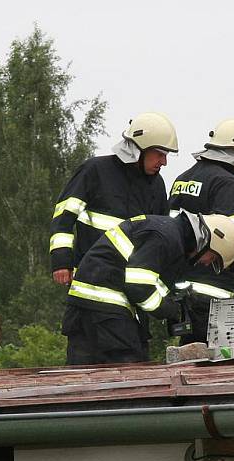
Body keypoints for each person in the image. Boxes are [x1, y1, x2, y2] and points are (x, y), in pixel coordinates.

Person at [49, 112, 178, 357]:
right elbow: (64, 217)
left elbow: (160, 240)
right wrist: (61, 262)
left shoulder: (156, 185)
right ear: (139, 148)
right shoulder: (94, 170)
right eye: (159, 154)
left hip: (129, 297)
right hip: (90, 289)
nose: (164, 162)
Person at [62, 212, 234, 365]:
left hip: (89, 309)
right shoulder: (165, 237)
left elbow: (149, 282)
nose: (205, 263)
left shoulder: (170, 234)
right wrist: (169, 309)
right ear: (209, 242)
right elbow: (139, 287)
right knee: (133, 374)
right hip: (105, 311)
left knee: (84, 378)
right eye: (212, 258)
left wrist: (178, 302)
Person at [167, 119, 234, 343]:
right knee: (216, 362)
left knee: (189, 354)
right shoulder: (226, 182)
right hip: (213, 289)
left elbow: (168, 230)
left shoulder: (182, 179)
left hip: (182, 288)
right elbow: (233, 236)